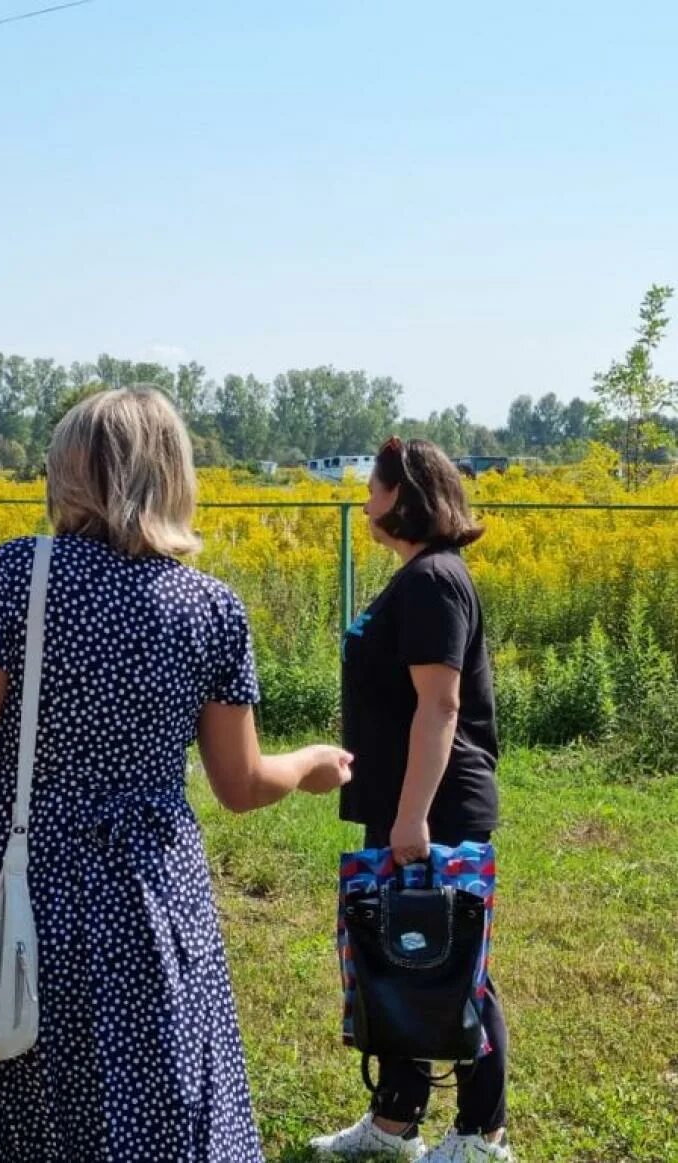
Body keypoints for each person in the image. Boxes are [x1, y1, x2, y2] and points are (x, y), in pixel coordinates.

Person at [0, 386, 352, 1162]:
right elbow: (240, 782)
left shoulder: (18, 577)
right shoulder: (212, 610)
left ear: (69, 475)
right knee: (162, 1106)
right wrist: (309, 765)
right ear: (173, 476)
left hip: (26, 897)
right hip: (153, 903)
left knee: (34, 1116)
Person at [311, 437, 512, 1163]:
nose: (365, 499)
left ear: (404, 494)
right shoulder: (418, 576)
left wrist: (411, 815)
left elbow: (442, 706)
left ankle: (483, 1132)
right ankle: (396, 1121)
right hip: (404, 804)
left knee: (457, 966)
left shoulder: (433, 580)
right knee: (397, 959)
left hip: (436, 810)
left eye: (374, 485)